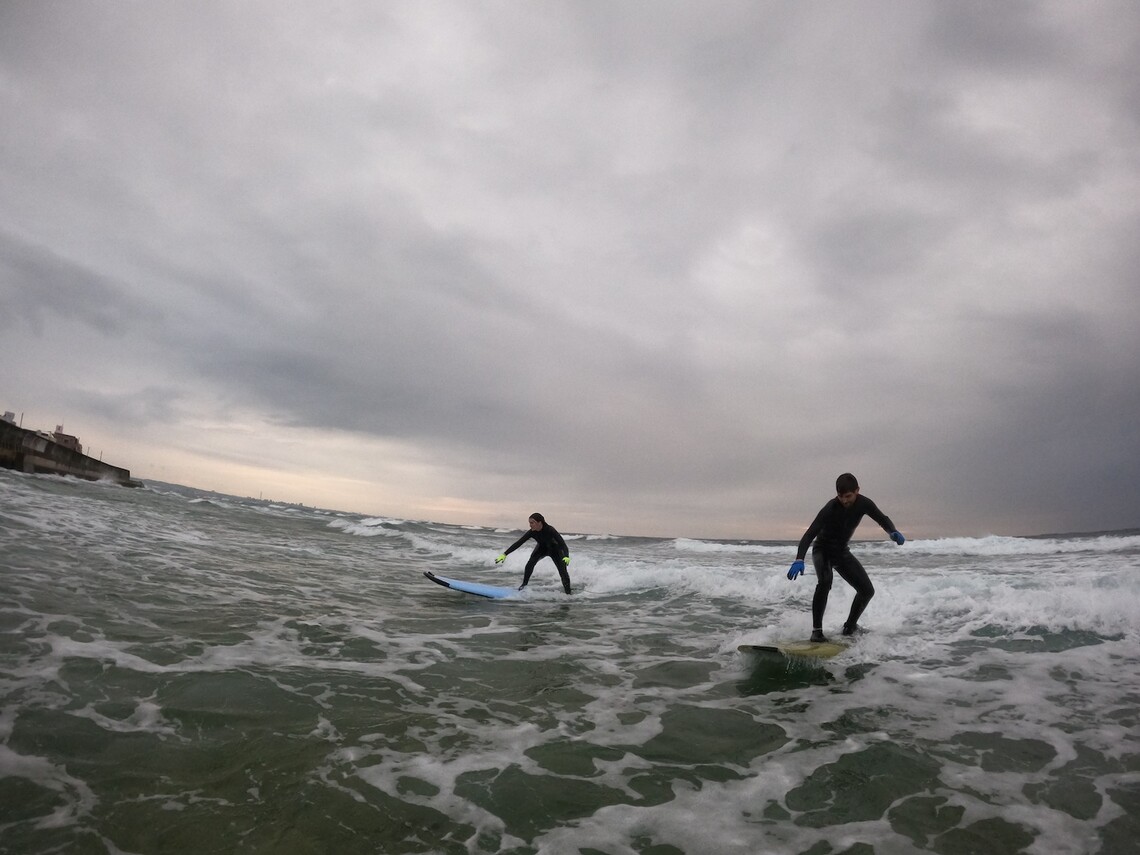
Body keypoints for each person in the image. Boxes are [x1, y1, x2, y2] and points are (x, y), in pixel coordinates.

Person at [787, 473, 904, 642]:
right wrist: (799, 559)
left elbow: (881, 518)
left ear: (857, 491)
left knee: (867, 591)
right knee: (825, 581)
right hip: (822, 551)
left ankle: (849, 627)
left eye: (848, 496)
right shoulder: (830, 507)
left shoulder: (864, 503)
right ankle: (817, 632)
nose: (844, 500)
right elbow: (809, 534)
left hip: (841, 552)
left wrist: (892, 531)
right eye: (840, 497)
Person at [495, 512, 572, 594]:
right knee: (529, 565)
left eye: (532, 523)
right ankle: (524, 586)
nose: (530, 525)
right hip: (541, 549)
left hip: (555, 550)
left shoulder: (550, 530)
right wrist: (505, 554)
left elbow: (562, 544)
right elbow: (519, 543)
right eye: (529, 523)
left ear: (540, 523)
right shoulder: (532, 532)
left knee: (563, 572)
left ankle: (568, 593)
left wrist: (566, 556)